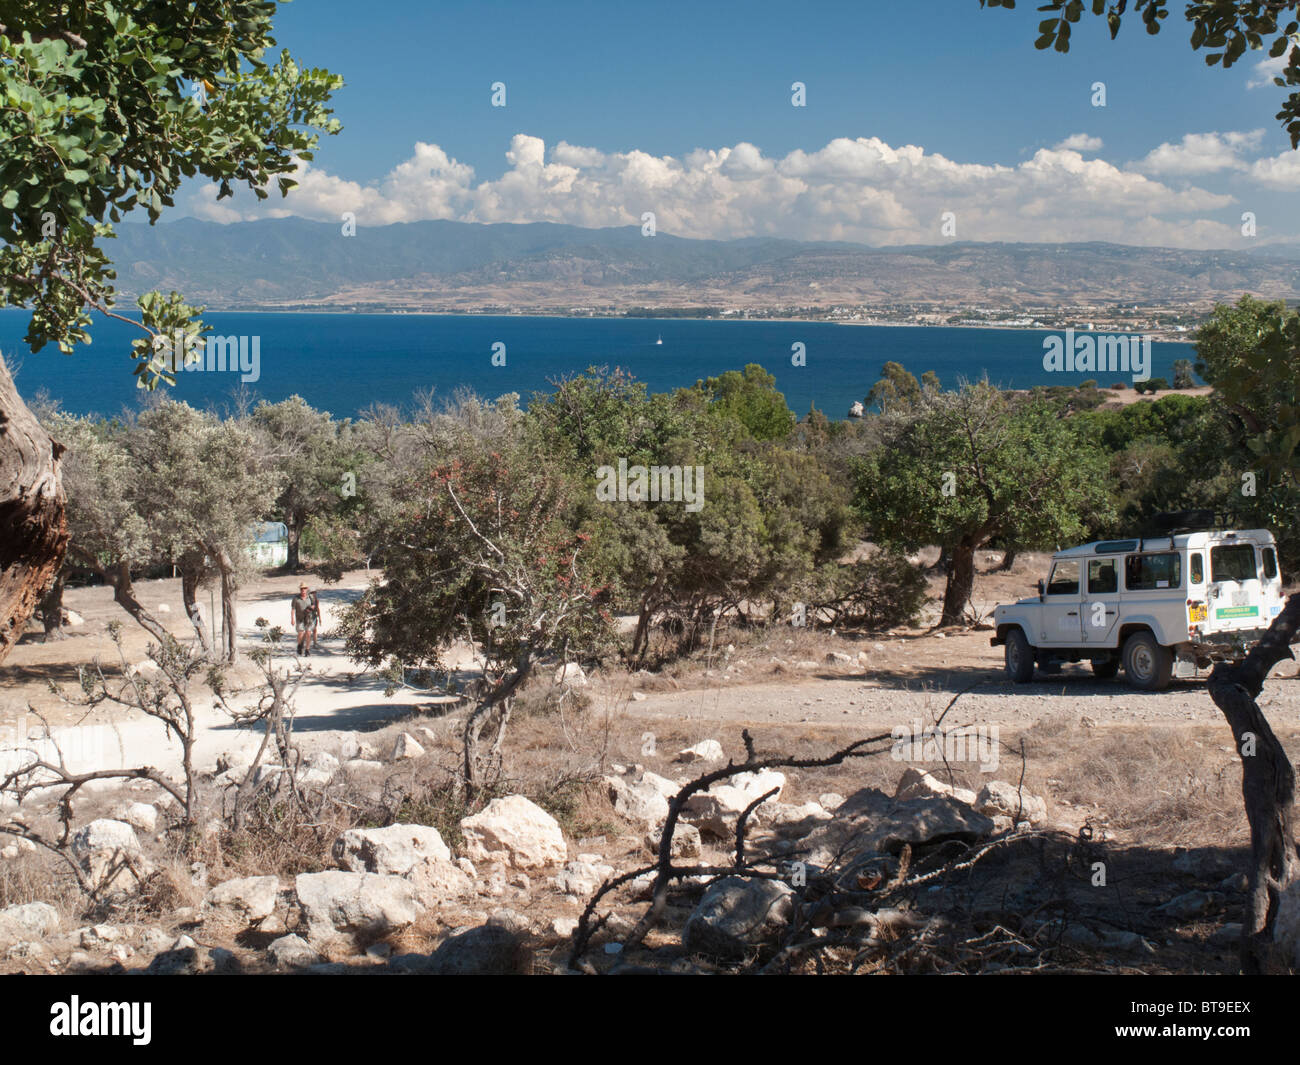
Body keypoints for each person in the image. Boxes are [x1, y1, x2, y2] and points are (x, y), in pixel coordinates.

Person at [290, 583, 318, 656]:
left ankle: (307, 649)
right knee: (301, 633)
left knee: (308, 633)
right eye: (302, 589)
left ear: (307, 589)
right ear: (300, 590)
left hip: (309, 618)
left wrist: (311, 608)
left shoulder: (310, 597)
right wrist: (292, 619)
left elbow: (314, 605)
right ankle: (299, 645)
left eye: (305, 588)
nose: (303, 590)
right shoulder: (296, 598)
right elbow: (293, 609)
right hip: (300, 618)